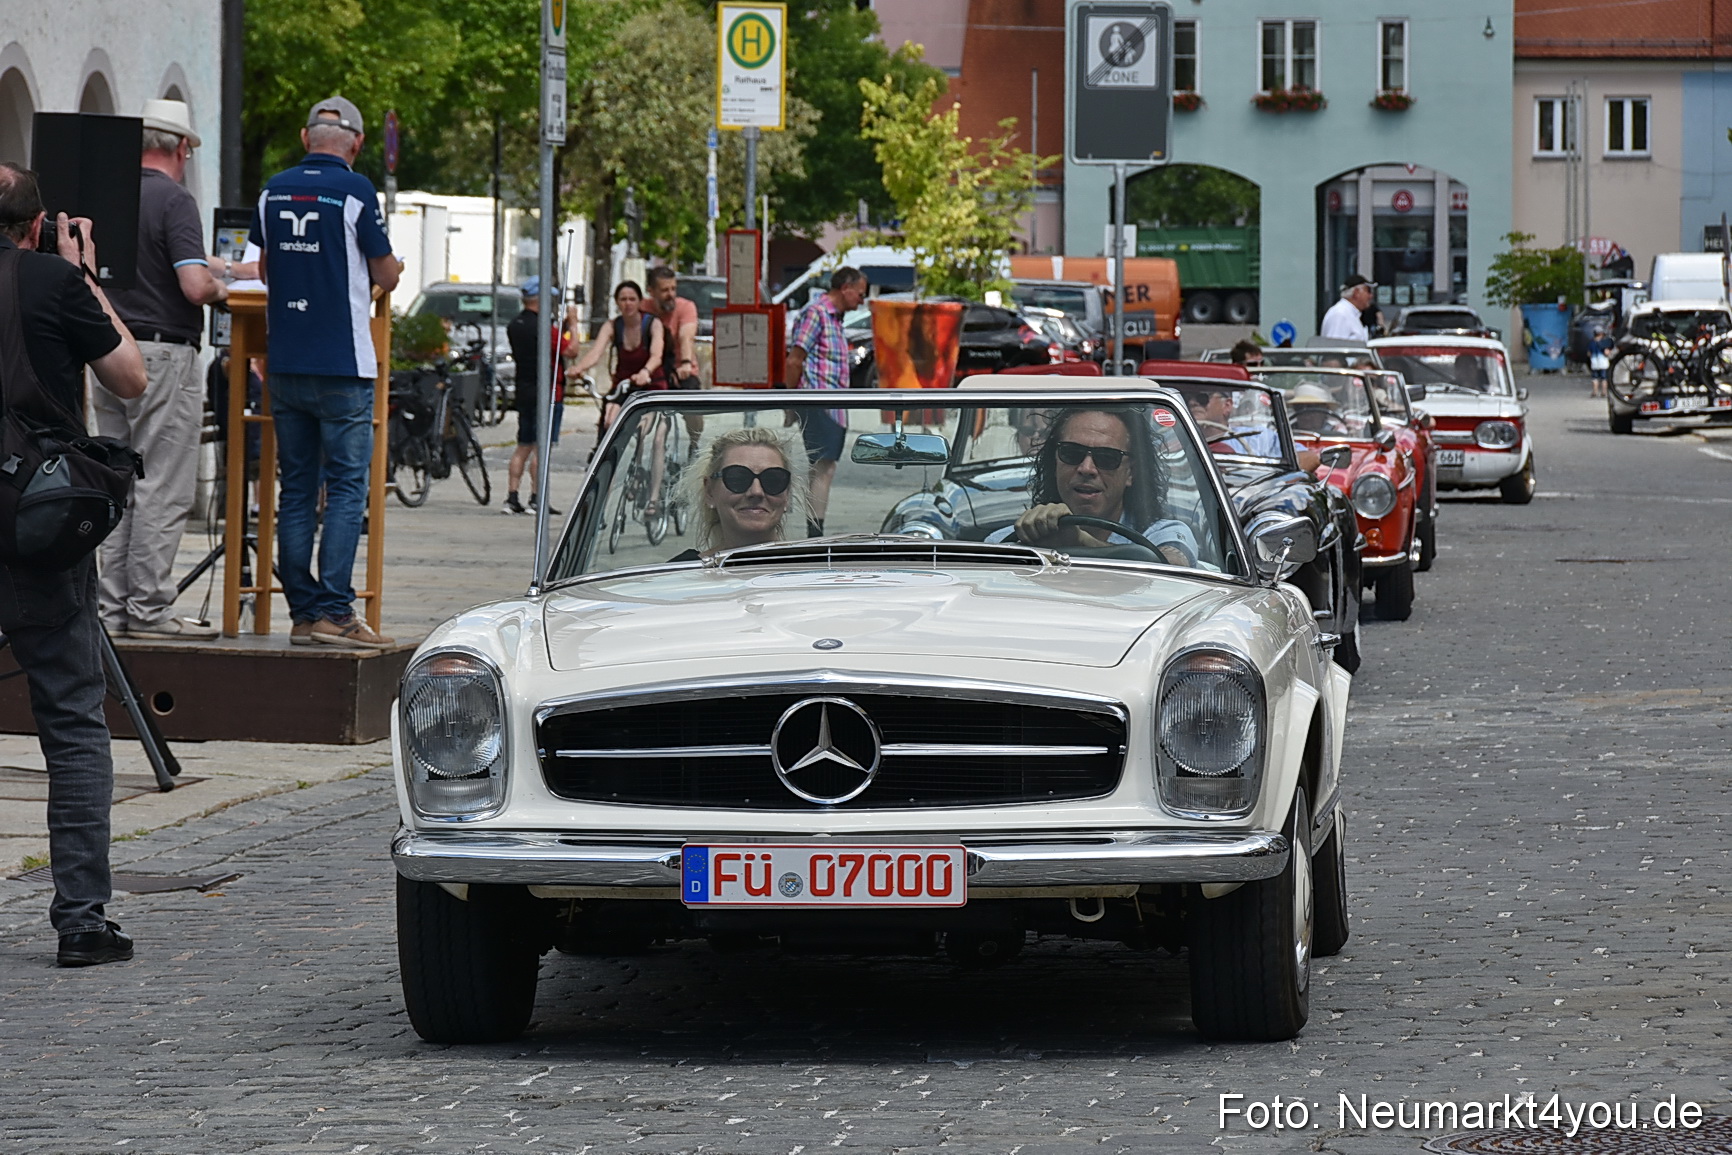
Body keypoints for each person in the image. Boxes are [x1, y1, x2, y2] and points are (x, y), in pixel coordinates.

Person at [0, 163, 148, 965]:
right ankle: (81, 921)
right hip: (33, 524)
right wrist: (84, 273)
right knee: (72, 722)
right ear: (36, 226)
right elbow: (130, 376)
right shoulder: (55, 282)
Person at [253, 96, 400, 648]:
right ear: (357, 144)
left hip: (285, 362)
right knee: (344, 489)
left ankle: (302, 613)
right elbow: (386, 271)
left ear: (303, 137)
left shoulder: (272, 189)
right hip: (343, 364)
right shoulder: (356, 191)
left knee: (295, 491)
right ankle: (336, 612)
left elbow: (265, 268)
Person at [97, 100, 229, 641]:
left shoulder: (112, 193)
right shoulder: (175, 200)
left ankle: (111, 609)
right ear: (181, 148)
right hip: (163, 352)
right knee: (162, 485)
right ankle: (150, 609)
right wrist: (223, 287)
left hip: (109, 348)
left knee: (116, 480)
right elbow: (194, 286)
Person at [987, 407, 1198, 565]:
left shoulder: (1163, 534)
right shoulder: (1004, 543)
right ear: (1055, 463)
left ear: (1131, 473)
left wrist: (1079, 543)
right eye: (1071, 453)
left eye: (1107, 458)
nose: (1087, 468)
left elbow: (1172, 568)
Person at [785, 267, 867, 536]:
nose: (861, 301)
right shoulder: (817, 313)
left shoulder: (834, 319)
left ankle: (815, 527)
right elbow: (795, 359)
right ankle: (815, 532)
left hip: (833, 402)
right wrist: (791, 400)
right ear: (845, 288)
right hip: (818, 399)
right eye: (860, 293)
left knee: (823, 466)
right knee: (823, 466)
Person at [670, 426, 809, 561]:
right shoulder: (677, 576)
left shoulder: (815, 572)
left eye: (772, 480)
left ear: (787, 495)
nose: (756, 492)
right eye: (738, 479)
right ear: (710, 492)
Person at [502, 276, 569, 515]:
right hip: (548, 391)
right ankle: (536, 497)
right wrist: (573, 325)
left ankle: (511, 496)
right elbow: (568, 349)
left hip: (524, 389)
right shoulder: (545, 328)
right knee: (542, 448)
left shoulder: (514, 325)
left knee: (523, 445)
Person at [645, 265, 706, 458]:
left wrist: (686, 362)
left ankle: (695, 444)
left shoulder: (686, 307)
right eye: (664, 290)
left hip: (681, 369)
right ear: (651, 292)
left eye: (673, 289)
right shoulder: (642, 309)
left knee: (693, 405)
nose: (670, 294)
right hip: (653, 372)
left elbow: (685, 336)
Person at [1320, 274, 1375, 342]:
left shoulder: (1351, 314)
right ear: (1356, 293)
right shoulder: (1340, 314)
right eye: (1368, 291)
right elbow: (1334, 348)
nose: (1371, 296)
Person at [1588, 326, 1613, 398]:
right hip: (1603, 363)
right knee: (1604, 378)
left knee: (1595, 378)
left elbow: (1589, 353)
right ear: (1601, 334)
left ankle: (1594, 392)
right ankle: (1604, 392)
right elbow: (1606, 353)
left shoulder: (1591, 342)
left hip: (1594, 363)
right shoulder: (1604, 343)